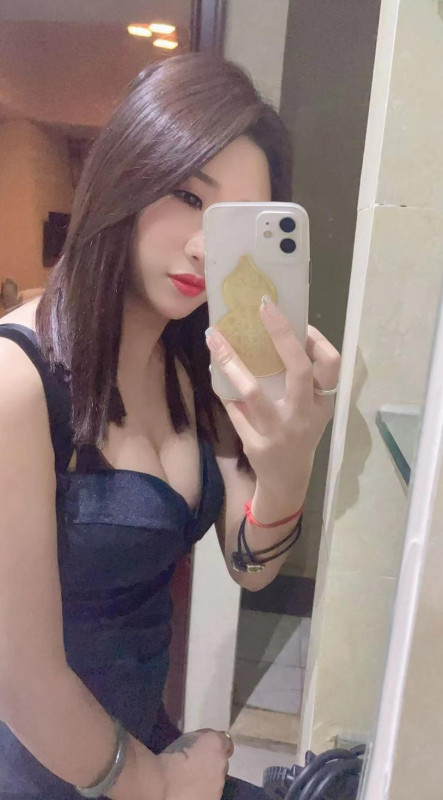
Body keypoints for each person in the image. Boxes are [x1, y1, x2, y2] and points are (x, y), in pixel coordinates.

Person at [0, 54, 340, 800]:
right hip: (45, 769)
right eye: (187, 196)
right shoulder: (16, 382)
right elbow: (19, 676)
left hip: (132, 744)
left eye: (230, 223)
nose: (204, 247)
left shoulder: (196, 364)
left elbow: (250, 567)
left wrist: (289, 465)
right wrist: (161, 783)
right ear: (124, 176)